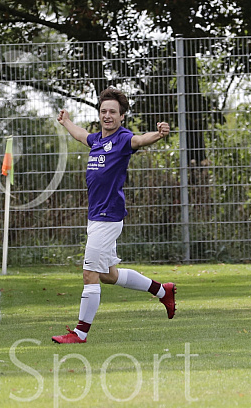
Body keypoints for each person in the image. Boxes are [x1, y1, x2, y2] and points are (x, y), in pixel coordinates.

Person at [52, 87, 177, 344]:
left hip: (108, 217)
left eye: (113, 112)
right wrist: (66, 122)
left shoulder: (123, 139)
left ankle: (80, 333)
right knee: (109, 275)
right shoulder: (97, 140)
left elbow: (140, 140)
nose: (107, 115)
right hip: (96, 216)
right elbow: (81, 135)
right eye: (103, 111)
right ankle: (162, 291)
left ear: (122, 117)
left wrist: (159, 134)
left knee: (89, 273)